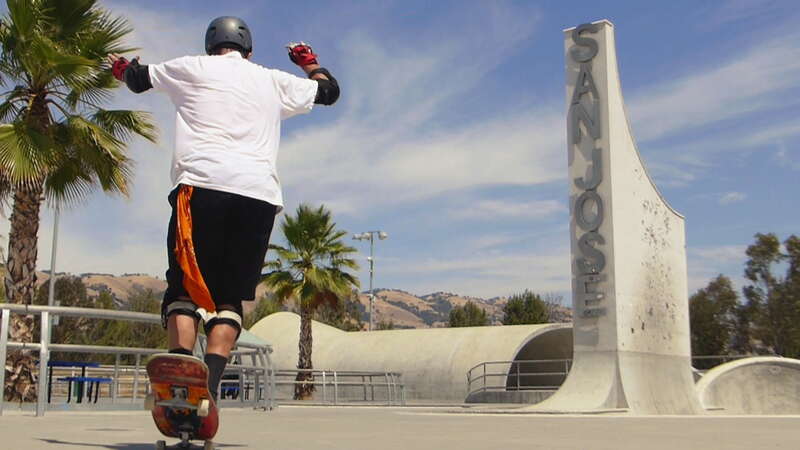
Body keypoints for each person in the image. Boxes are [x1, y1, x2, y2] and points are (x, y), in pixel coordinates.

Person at [108, 16, 339, 402]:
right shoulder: (272, 80)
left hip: (202, 188)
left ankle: (181, 380)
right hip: (258, 197)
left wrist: (119, 67)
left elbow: (136, 79)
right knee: (229, 299)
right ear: (248, 51)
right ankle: (209, 387)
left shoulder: (191, 67)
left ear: (210, 46)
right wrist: (308, 62)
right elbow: (329, 92)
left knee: (183, 291)